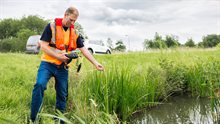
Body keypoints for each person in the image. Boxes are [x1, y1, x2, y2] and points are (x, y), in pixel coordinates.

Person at [30, 6, 104, 123]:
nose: (73, 23)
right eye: (71, 20)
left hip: (63, 68)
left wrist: (95, 63)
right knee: (39, 85)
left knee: (62, 95)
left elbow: (84, 50)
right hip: (47, 64)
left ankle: (59, 121)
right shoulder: (51, 27)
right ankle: (34, 119)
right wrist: (58, 56)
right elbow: (43, 45)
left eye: (75, 21)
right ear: (65, 15)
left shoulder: (74, 32)